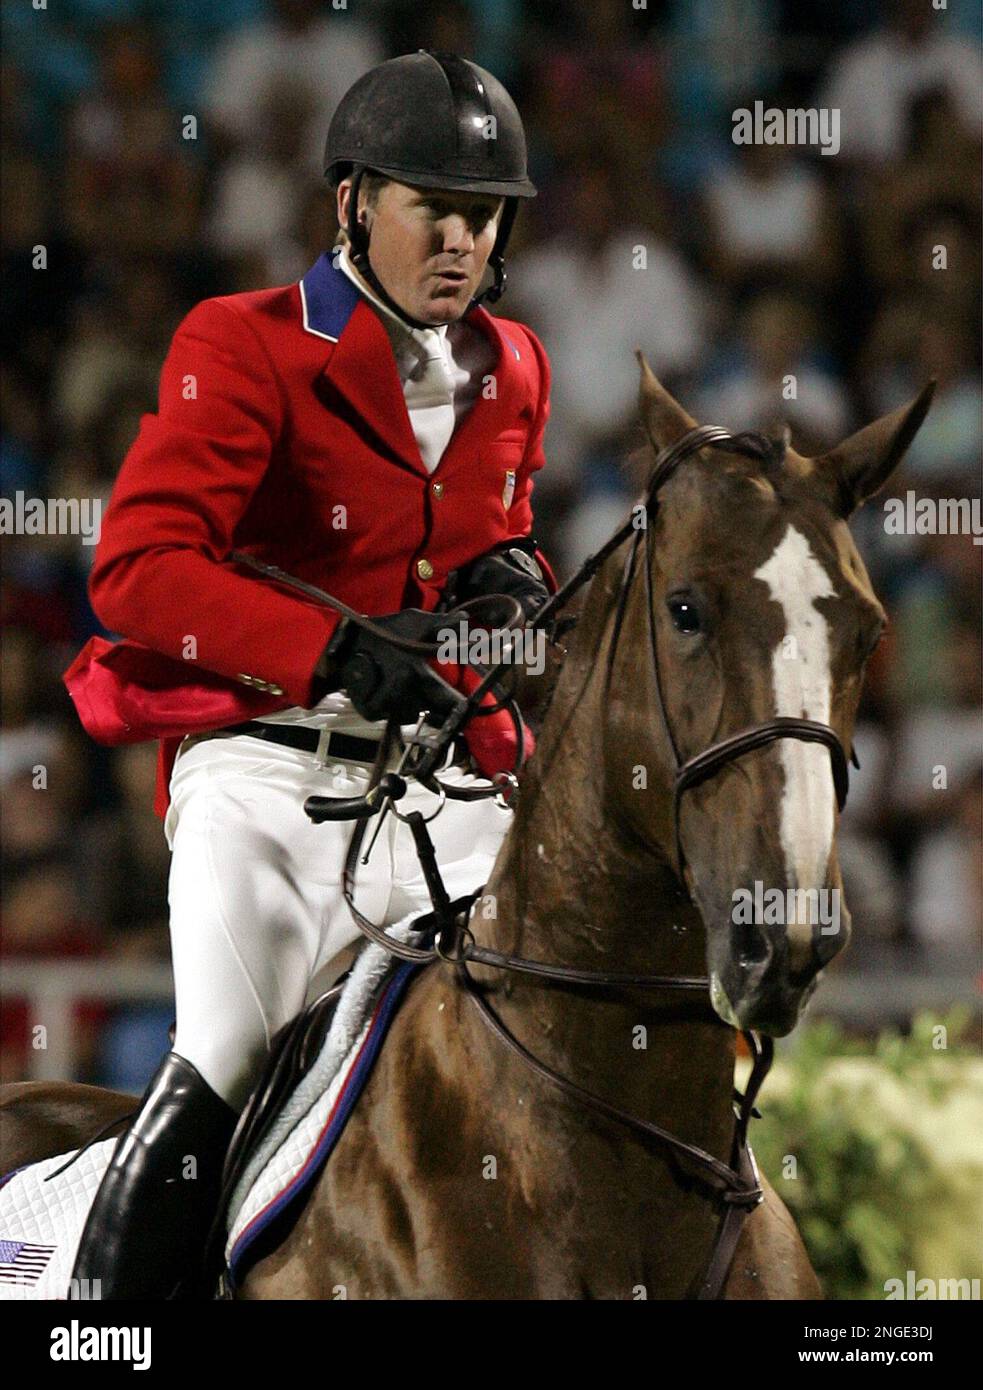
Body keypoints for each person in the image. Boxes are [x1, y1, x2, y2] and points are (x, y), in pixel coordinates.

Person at [67, 50, 554, 1301]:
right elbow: (135, 573)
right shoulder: (242, 344)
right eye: (429, 208)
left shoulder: (515, 366)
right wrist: (327, 645)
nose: (460, 239)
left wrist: (514, 575)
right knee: (224, 1047)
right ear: (350, 202)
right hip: (271, 774)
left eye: (482, 214)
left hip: (447, 787)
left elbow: (490, 526)